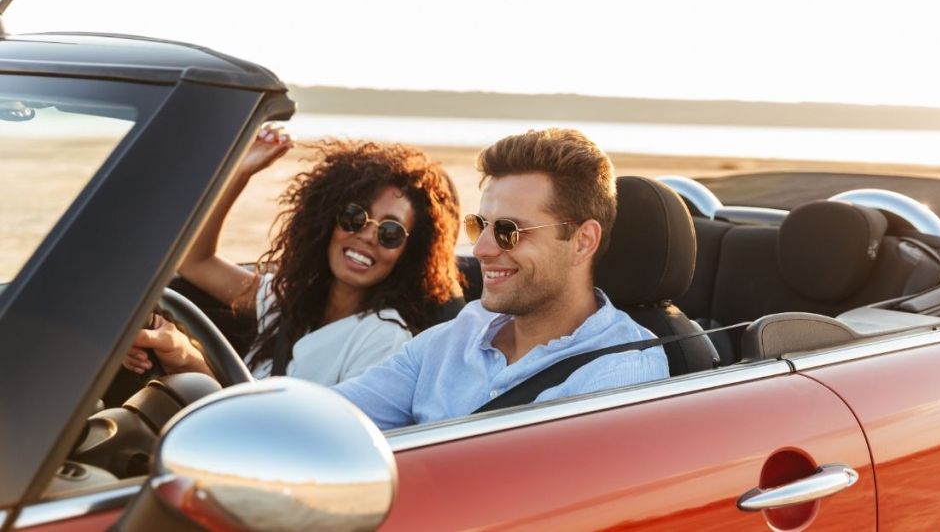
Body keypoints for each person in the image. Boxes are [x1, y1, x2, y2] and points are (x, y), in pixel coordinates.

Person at [334, 128, 668, 430]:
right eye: (479, 226)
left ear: (583, 242)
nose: (481, 249)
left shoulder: (621, 376)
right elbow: (330, 416)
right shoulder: (452, 339)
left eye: (509, 231)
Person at [124, 126, 463, 385]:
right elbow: (195, 261)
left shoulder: (383, 338)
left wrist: (186, 360)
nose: (367, 236)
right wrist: (241, 170)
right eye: (354, 217)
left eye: (390, 233)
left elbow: (293, 438)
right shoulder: (284, 297)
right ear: (327, 221)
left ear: (408, 253)